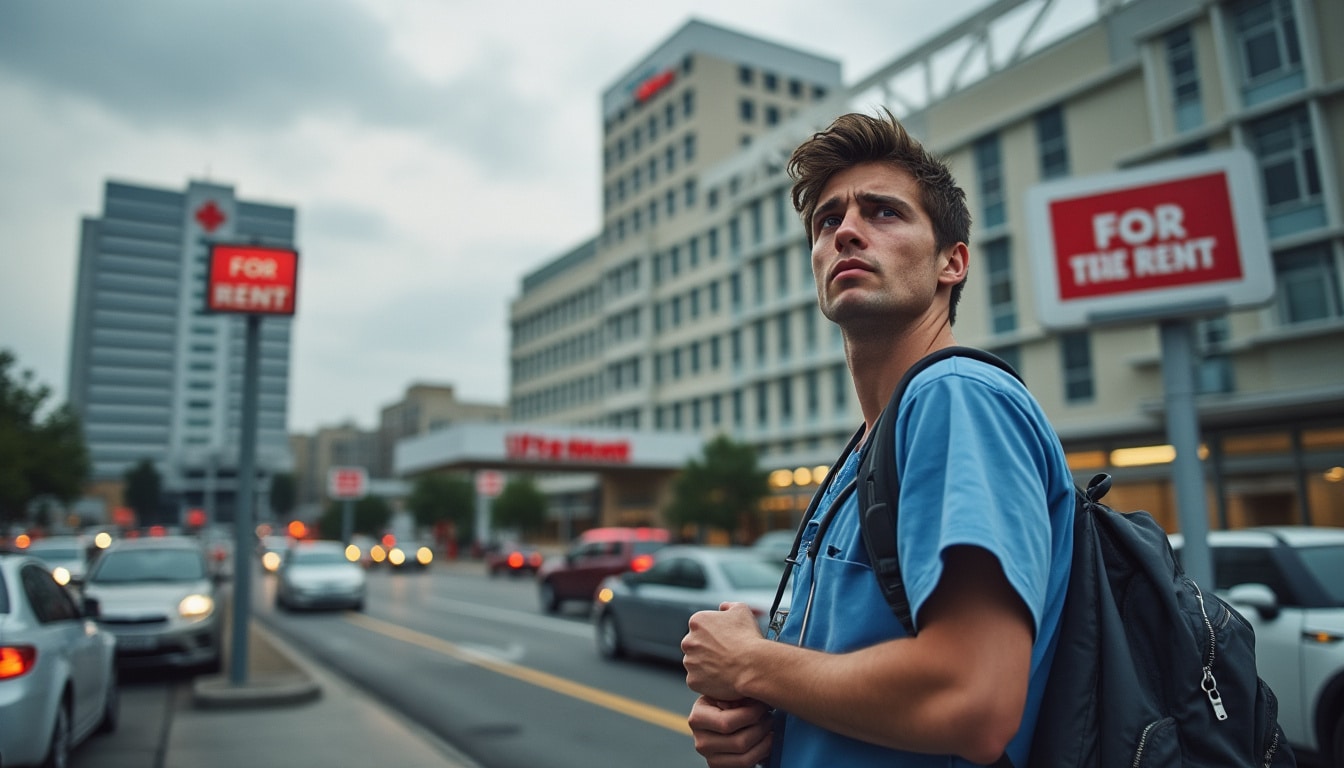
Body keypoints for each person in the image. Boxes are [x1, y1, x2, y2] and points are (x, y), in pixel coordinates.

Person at [681, 110, 1076, 767]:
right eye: (827, 221)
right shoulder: (870, 447)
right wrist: (760, 723)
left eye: (883, 212)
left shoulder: (953, 396)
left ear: (952, 262)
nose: (845, 232)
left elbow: (973, 700)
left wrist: (750, 664)